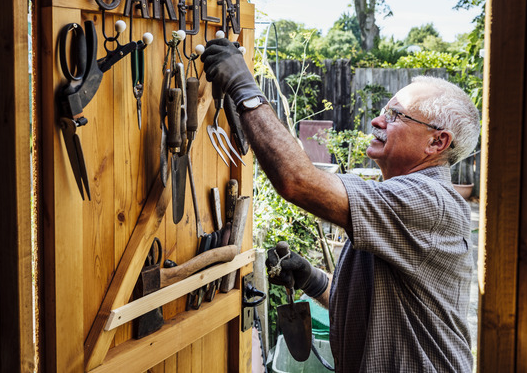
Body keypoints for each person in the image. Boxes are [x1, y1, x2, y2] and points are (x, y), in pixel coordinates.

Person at [201, 38, 480, 372]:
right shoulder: (401, 198)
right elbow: (369, 312)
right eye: (383, 111)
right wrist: (312, 279)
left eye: (395, 115)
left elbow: (298, 181)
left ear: (437, 141)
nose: (377, 121)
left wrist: (244, 89)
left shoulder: (429, 202)